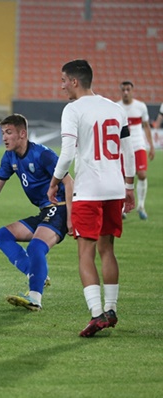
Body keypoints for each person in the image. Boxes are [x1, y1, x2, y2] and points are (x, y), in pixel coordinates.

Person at [47, 59, 135, 338]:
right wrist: (129, 186)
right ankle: (111, 309)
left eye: (63, 81)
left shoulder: (73, 110)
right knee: (107, 249)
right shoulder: (115, 108)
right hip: (115, 189)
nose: (61, 86)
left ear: (74, 81)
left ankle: (97, 314)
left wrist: (55, 181)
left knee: (85, 253)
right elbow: (128, 152)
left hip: (88, 191)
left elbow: (68, 153)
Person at [0, 114, 73, 311]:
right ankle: (37, 273)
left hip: (61, 207)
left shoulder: (43, 155)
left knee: (35, 247)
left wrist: (72, 218)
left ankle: (34, 298)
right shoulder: (10, 156)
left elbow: (69, 181)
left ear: (22, 134)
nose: (4, 137)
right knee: (3, 235)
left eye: (9, 133)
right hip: (45, 211)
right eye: (2, 133)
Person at [117, 81, 155, 220]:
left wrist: (151, 146)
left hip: (138, 145)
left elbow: (146, 126)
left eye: (128, 90)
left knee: (142, 175)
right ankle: (123, 208)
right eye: (123, 90)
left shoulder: (140, 106)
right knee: (122, 177)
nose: (126, 92)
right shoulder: (117, 107)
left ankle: (141, 206)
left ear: (132, 91)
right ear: (121, 91)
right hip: (123, 148)